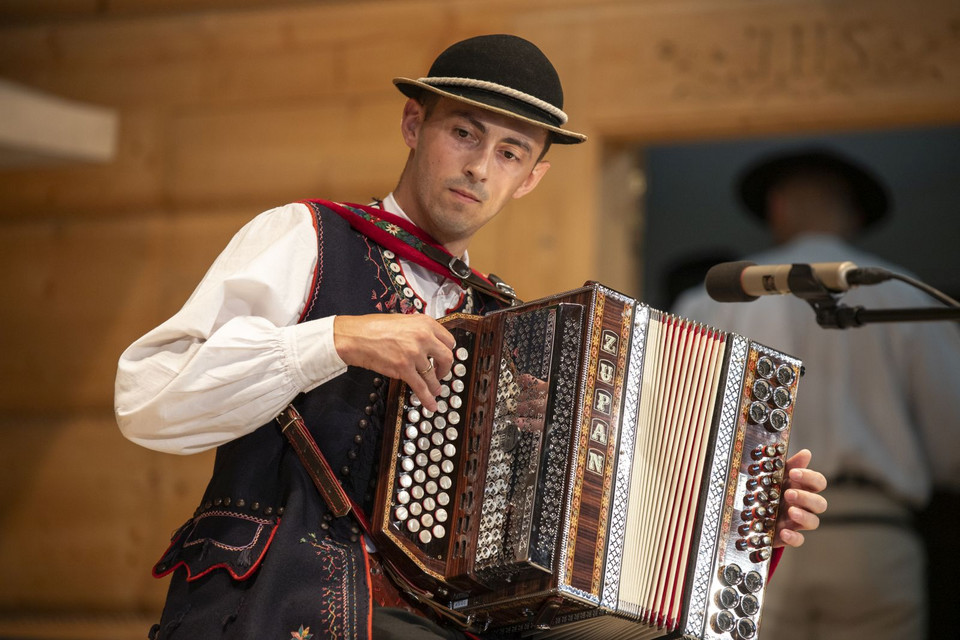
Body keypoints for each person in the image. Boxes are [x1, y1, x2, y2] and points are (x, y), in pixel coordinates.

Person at [115, 35, 827, 640]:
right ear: (412, 124)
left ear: (531, 178)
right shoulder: (305, 236)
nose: (480, 167)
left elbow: (566, 560)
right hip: (279, 602)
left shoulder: (507, 327)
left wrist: (738, 517)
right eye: (463, 133)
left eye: (510, 152)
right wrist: (333, 339)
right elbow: (146, 398)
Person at [673, 148, 960, 640]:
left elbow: (678, 432)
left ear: (777, 207)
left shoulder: (711, 300)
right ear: (853, 215)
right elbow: (953, 445)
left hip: (745, 537)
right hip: (872, 534)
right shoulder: (907, 296)